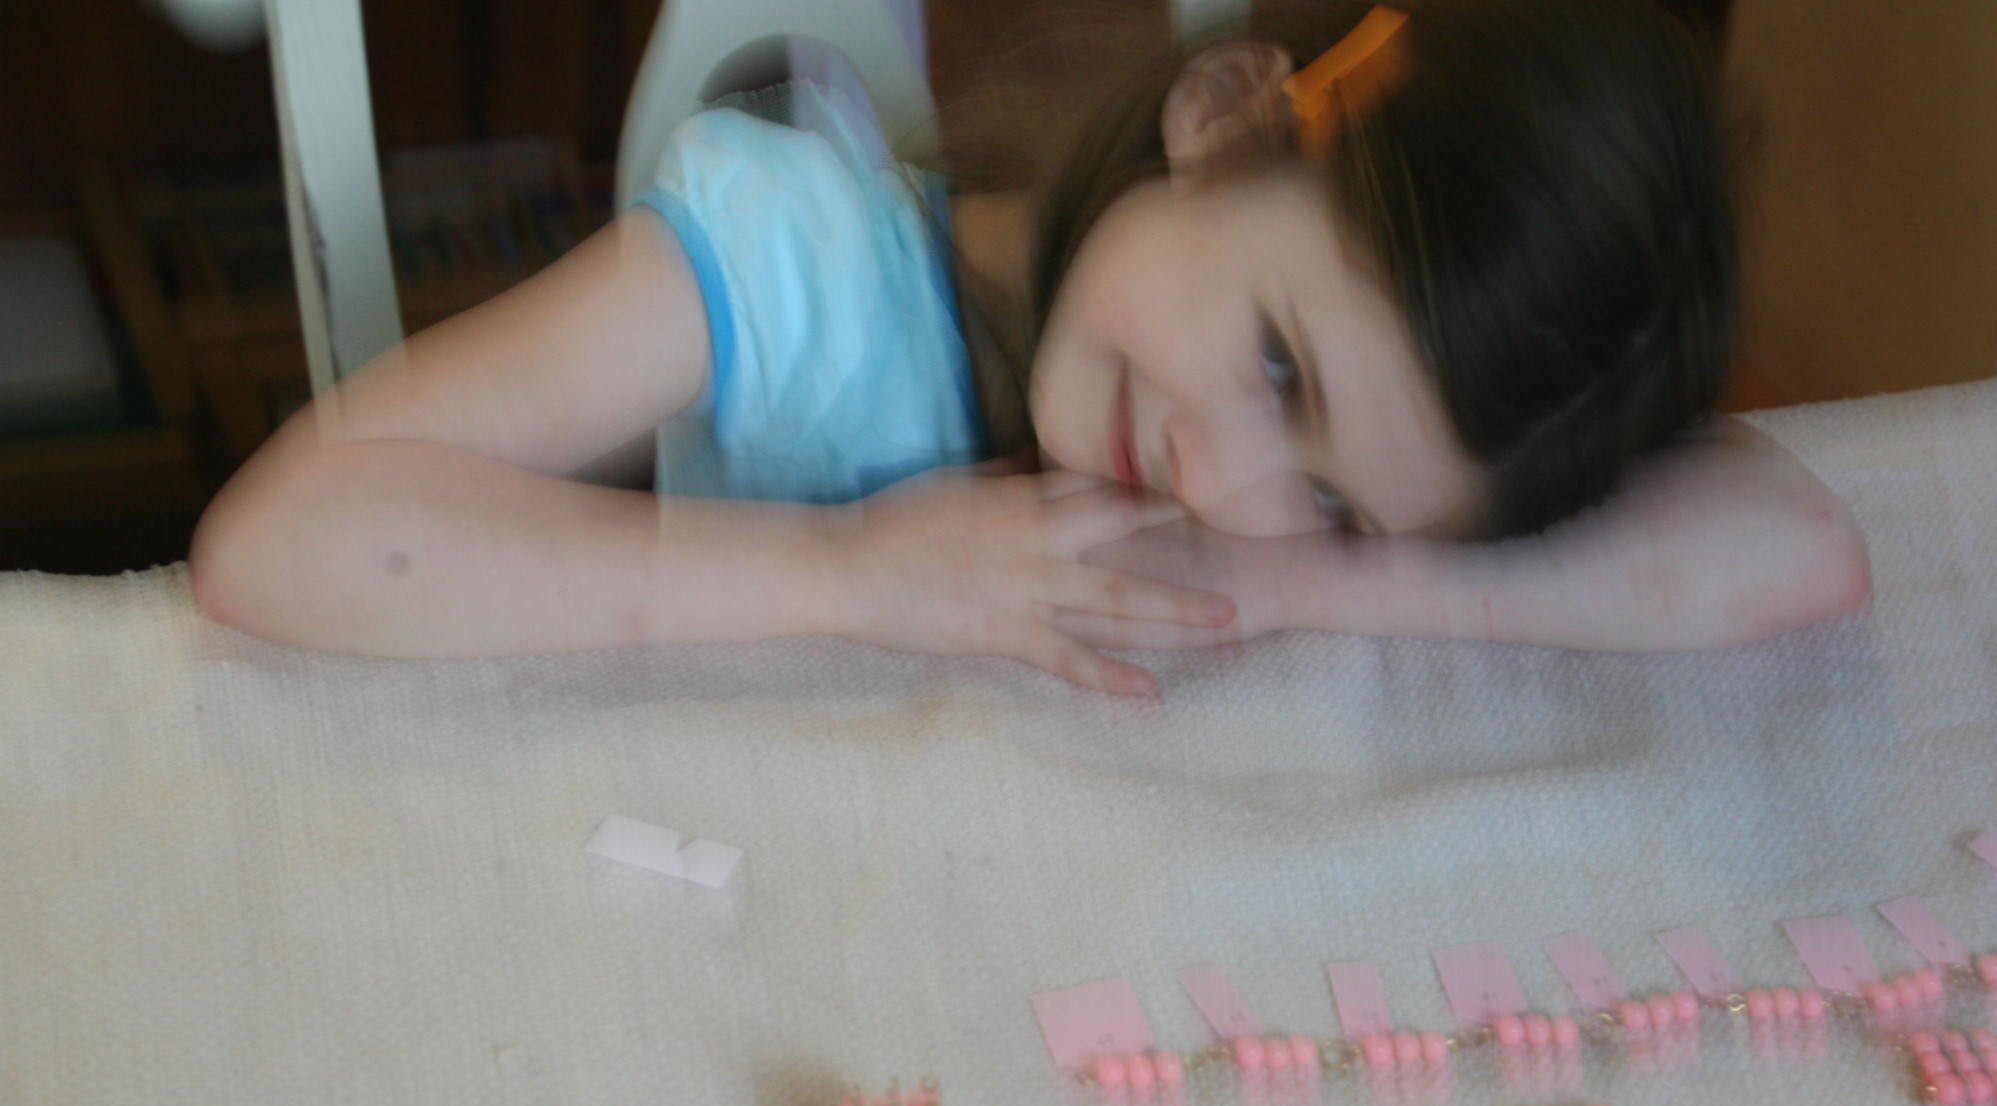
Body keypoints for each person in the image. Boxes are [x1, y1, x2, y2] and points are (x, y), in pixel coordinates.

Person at [190, 0, 1868, 696]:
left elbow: (1800, 546)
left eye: (1336, 500)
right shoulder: (800, 270)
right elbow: (287, 540)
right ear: (1223, 119)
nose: (1221, 482)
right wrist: (848, 575)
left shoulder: (1248, 521)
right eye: (1281, 368)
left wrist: (1302, 582)